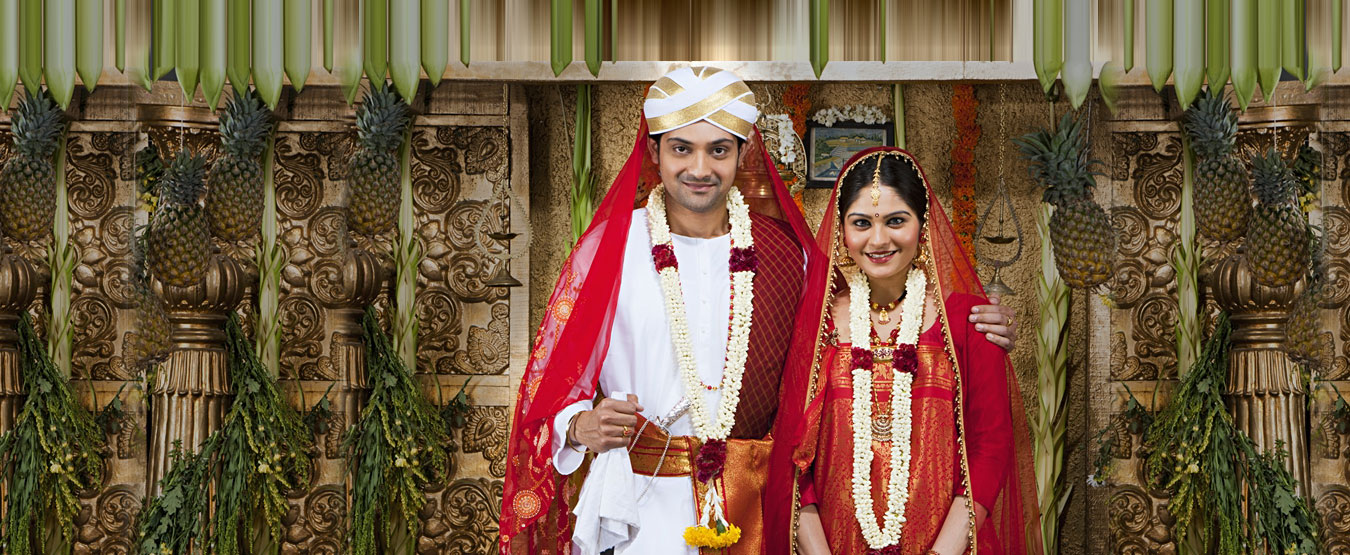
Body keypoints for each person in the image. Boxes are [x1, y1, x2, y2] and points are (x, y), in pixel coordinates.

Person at [500, 67, 1021, 555]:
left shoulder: (786, 253)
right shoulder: (606, 251)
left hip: (757, 514)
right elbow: (549, 387)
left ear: (742, 153)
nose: (700, 168)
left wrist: (979, 328)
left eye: (718, 149)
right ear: (654, 151)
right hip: (638, 506)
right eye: (681, 148)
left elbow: (869, 325)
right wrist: (579, 426)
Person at [788, 148, 1041, 555]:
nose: (878, 239)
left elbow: (990, 448)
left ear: (922, 225)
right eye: (861, 223)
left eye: (896, 221)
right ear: (842, 232)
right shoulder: (815, 323)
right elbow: (793, 454)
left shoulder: (969, 321)